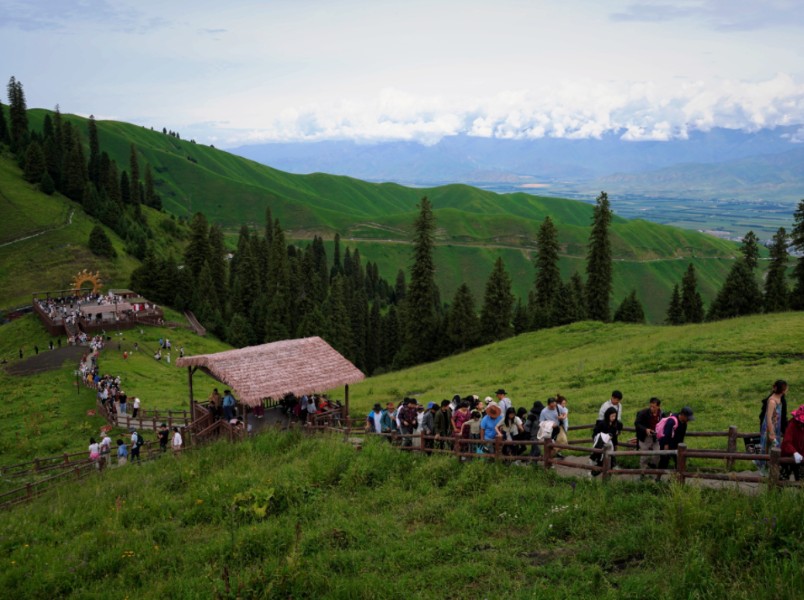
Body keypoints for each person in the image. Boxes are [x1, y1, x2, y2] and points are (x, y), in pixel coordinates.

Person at [756, 380, 788, 474]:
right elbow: (768, 418)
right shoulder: (772, 401)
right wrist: (771, 432)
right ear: (783, 390)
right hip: (770, 427)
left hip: (776, 426)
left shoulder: (780, 399)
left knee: (774, 447)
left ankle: (772, 468)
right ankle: (764, 470)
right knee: (768, 447)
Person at [656, 407, 694, 481]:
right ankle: (658, 478)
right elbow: (666, 434)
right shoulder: (672, 421)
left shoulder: (684, 423)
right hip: (666, 444)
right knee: (664, 462)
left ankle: (672, 480)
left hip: (676, 445)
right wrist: (666, 446)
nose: (688, 420)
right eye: (688, 418)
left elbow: (682, 436)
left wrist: (681, 446)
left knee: (679, 463)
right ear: (682, 415)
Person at [634, 397, 663, 471]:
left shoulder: (661, 414)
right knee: (644, 455)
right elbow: (637, 423)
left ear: (658, 406)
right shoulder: (643, 413)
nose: (652, 408)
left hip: (656, 436)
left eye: (654, 407)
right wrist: (645, 429)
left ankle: (652, 466)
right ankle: (642, 473)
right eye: (651, 406)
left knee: (658, 452)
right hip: (645, 437)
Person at [590, 407, 622, 474]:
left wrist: (616, 444)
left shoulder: (615, 424)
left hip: (611, 445)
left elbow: (616, 434)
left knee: (611, 461)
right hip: (602, 445)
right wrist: (603, 437)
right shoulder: (602, 423)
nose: (613, 417)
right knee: (601, 461)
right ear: (608, 415)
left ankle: (608, 475)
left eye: (615, 416)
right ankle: (592, 474)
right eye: (612, 416)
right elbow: (595, 434)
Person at [780, 404, 804, 481]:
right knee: (783, 477)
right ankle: (777, 491)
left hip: (802, 456)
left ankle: (800, 492)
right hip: (788, 455)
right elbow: (787, 441)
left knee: (801, 480)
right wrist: (794, 452)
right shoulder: (792, 425)